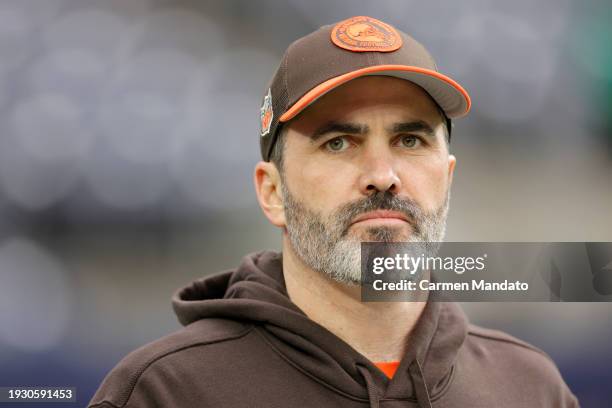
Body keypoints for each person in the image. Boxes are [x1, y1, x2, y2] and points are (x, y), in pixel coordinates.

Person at [88, 16, 578, 408]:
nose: (382, 175)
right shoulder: (166, 392)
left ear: (448, 177)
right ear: (272, 192)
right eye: (339, 142)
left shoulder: (531, 388)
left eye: (410, 140)